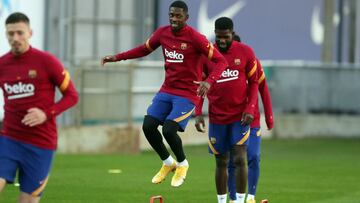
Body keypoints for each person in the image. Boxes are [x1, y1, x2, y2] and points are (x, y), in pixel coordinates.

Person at [101, 0, 227, 187]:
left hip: (187, 93)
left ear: (186, 17)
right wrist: (117, 57)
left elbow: (221, 61)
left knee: (169, 129)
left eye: (178, 16)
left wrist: (209, 82)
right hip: (167, 89)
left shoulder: (196, 38)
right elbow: (143, 50)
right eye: (171, 15)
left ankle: (183, 164)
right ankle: (168, 163)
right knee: (148, 126)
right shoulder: (163, 33)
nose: (174, 19)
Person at [0, 12, 79, 203]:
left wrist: (46, 113)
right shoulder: (2, 64)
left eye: (20, 33)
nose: (15, 38)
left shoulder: (46, 61)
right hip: (9, 138)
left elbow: (72, 96)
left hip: (41, 142)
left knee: (28, 200)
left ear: (30, 33)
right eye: (10, 34)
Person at [194, 17, 259, 203]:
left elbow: (254, 82)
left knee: (239, 159)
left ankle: (239, 201)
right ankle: (221, 201)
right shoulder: (207, 54)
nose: (222, 40)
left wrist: (250, 108)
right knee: (221, 161)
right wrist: (198, 113)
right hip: (217, 117)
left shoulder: (245, 51)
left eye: (226, 36)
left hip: (240, 117)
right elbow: (200, 86)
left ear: (232, 33)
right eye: (218, 36)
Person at [226, 34, 274, 203]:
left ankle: (251, 197)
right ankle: (232, 198)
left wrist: (269, 117)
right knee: (233, 160)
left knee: (253, 156)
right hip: (231, 120)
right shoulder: (223, 64)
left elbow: (264, 90)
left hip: (252, 121)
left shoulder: (253, 62)